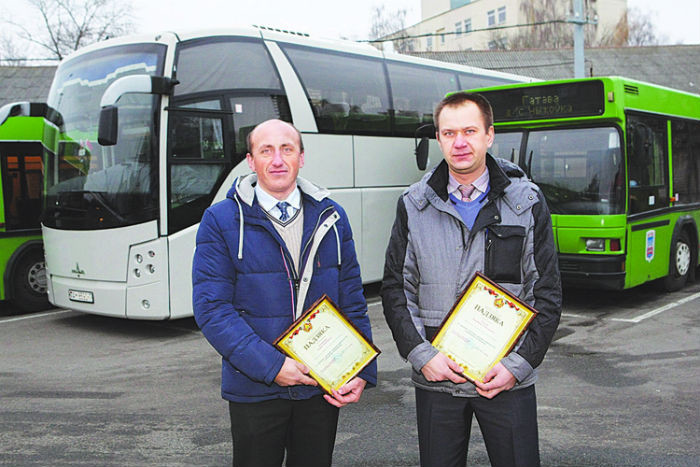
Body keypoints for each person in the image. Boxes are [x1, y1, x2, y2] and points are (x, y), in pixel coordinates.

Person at [381, 92, 562, 467]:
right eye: (448, 133)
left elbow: (546, 292)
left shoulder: (527, 201)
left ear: (489, 135)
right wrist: (422, 356)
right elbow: (397, 289)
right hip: (438, 378)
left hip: (506, 377)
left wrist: (517, 366)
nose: (459, 142)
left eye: (469, 131)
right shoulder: (414, 204)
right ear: (438, 138)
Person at [192, 119, 376, 467]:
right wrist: (273, 366)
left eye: (286, 149)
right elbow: (212, 309)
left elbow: (351, 298)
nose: (277, 160)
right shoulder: (220, 220)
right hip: (255, 387)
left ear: (301, 158)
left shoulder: (332, 216)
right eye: (266, 150)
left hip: (319, 385)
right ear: (251, 161)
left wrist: (361, 368)